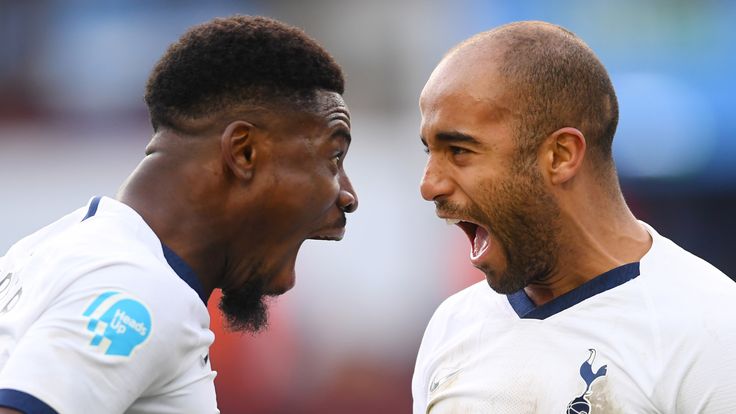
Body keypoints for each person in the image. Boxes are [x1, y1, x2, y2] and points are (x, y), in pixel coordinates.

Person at [0, 15, 358, 414]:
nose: (348, 195)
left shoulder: (46, 250)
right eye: (334, 158)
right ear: (244, 153)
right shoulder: (137, 290)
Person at [412, 21, 736, 413]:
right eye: (429, 150)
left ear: (561, 155)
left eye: (460, 150)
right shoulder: (452, 326)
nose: (429, 186)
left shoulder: (713, 331)